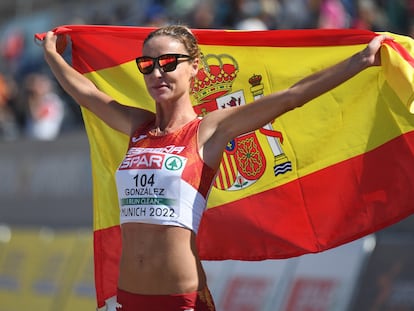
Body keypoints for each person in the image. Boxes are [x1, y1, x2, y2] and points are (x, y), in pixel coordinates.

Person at [42, 24, 387, 310]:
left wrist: (360, 60)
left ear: (194, 66)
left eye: (168, 61)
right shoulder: (138, 126)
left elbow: (289, 97)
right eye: (147, 64)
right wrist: (53, 57)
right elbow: (87, 94)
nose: (157, 71)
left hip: (183, 301)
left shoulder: (208, 131)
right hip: (129, 300)